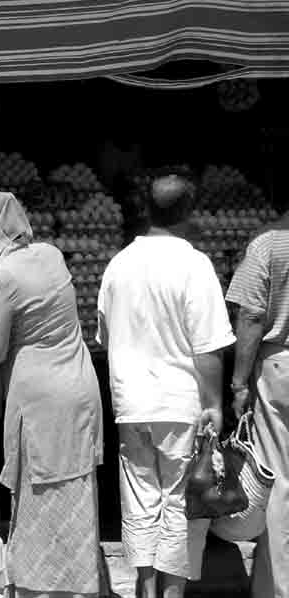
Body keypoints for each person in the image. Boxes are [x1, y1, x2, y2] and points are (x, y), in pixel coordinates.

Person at [0, 191, 105, 598]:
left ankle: (42, 588)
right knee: (75, 491)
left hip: (42, 399)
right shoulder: (51, 255)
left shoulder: (0, 277)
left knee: (43, 492)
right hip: (79, 385)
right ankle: (81, 585)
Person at [96, 175, 236, 598]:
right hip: (179, 403)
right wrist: (214, 405)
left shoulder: (119, 265)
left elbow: (105, 336)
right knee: (178, 504)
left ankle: (145, 587)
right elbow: (208, 348)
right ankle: (172, 593)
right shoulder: (195, 265)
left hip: (132, 404)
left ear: (147, 209)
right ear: (189, 212)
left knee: (140, 500)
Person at [226, 214, 289, 598]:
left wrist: (238, 383)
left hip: (281, 366)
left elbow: (251, 314)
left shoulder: (267, 243)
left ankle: (278, 589)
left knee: (279, 483)